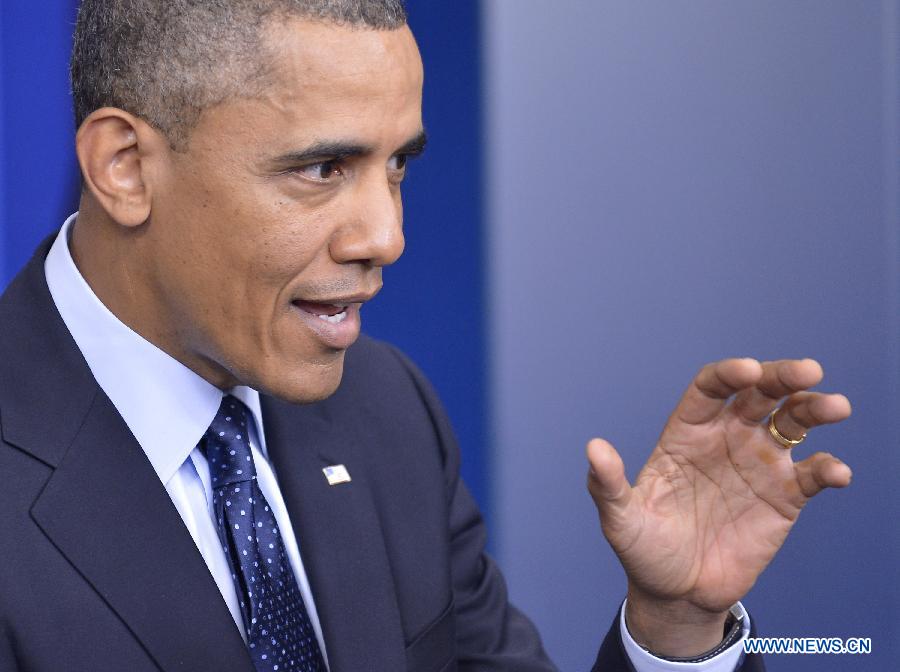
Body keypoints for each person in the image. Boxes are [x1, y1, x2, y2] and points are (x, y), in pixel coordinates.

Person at [0, 1, 853, 670]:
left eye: (398, 165)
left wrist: (676, 627)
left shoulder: (388, 410)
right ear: (124, 167)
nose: (386, 235)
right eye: (322, 168)